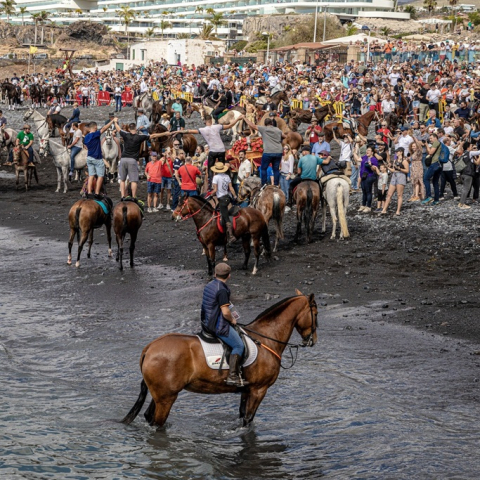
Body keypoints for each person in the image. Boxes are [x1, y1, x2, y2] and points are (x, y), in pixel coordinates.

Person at [201, 262, 248, 387]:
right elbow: (226, 312)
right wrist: (232, 320)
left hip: (206, 321)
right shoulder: (222, 290)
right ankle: (232, 376)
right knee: (239, 345)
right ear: (229, 276)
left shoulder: (210, 284)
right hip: (217, 325)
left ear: (215, 274)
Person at [114, 120, 169, 200]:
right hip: (132, 160)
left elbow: (118, 129)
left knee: (122, 179)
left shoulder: (125, 135)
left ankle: (122, 196)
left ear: (129, 129)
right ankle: (133, 197)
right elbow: (153, 136)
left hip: (123, 159)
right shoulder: (139, 137)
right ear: (136, 129)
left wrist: (115, 122)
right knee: (133, 180)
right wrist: (164, 133)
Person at [184, 114, 243, 184]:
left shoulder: (203, 129)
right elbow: (230, 126)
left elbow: (189, 131)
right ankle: (225, 180)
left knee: (210, 168)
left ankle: (210, 182)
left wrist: (176, 132)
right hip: (221, 150)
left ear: (205, 121)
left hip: (213, 151)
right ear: (211, 120)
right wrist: (238, 119)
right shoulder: (217, 126)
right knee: (222, 166)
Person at [243, 116, 285, 186]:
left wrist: (244, 118)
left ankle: (264, 184)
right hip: (278, 151)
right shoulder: (278, 130)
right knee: (276, 169)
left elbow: (252, 125)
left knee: (263, 168)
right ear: (272, 123)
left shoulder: (264, 129)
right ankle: (276, 184)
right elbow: (284, 136)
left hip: (268, 151)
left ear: (265, 124)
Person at [84, 119, 116, 197]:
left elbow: (85, 146)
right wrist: (112, 121)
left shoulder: (86, 137)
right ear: (95, 127)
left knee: (91, 176)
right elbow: (104, 128)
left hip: (89, 157)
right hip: (97, 158)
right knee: (101, 176)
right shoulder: (95, 134)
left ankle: (89, 192)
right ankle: (97, 193)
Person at [211, 162, 237, 244]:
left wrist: (210, 195)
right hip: (227, 197)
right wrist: (235, 196)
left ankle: (231, 235)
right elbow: (231, 188)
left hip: (221, 198)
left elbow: (215, 190)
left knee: (225, 217)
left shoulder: (215, 177)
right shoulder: (227, 176)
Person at [380, 147, 409, 216]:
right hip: (394, 175)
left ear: (401, 152)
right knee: (389, 194)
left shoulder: (404, 161)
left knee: (399, 195)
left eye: (397, 152)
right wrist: (388, 167)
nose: (396, 153)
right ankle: (384, 209)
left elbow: (407, 170)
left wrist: (400, 168)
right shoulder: (395, 161)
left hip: (401, 176)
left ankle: (398, 211)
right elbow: (393, 170)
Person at [355, 146, 378, 213]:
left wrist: (371, 165)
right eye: (367, 150)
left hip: (369, 176)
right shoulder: (365, 157)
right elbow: (358, 159)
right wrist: (354, 152)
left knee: (368, 191)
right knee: (364, 191)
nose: (367, 151)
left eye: (369, 150)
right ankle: (363, 205)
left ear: (372, 152)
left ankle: (368, 206)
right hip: (363, 176)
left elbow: (375, 169)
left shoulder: (373, 159)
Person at [422, 132, 442, 205]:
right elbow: (429, 152)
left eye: (431, 138)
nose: (430, 139)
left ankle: (429, 196)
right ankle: (436, 200)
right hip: (439, 164)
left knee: (425, 178)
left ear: (435, 138)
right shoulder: (438, 144)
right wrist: (427, 145)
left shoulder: (436, 142)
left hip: (435, 163)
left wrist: (427, 145)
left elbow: (430, 153)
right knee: (435, 182)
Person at [458, 141, 480, 209]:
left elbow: (475, 163)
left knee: (465, 189)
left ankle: (461, 203)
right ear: (468, 147)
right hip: (468, 174)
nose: (472, 148)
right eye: (471, 146)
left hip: (463, 173)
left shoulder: (463, 154)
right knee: (466, 189)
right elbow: (479, 152)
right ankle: (462, 204)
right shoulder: (469, 153)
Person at [280, 144, 295, 208]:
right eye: (284, 149)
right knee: (282, 189)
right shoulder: (283, 156)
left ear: (289, 150)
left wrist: (289, 174)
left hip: (287, 174)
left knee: (287, 189)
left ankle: (288, 202)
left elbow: (291, 166)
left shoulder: (290, 156)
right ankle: (284, 201)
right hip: (282, 174)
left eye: (286, 149)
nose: (285, 150)